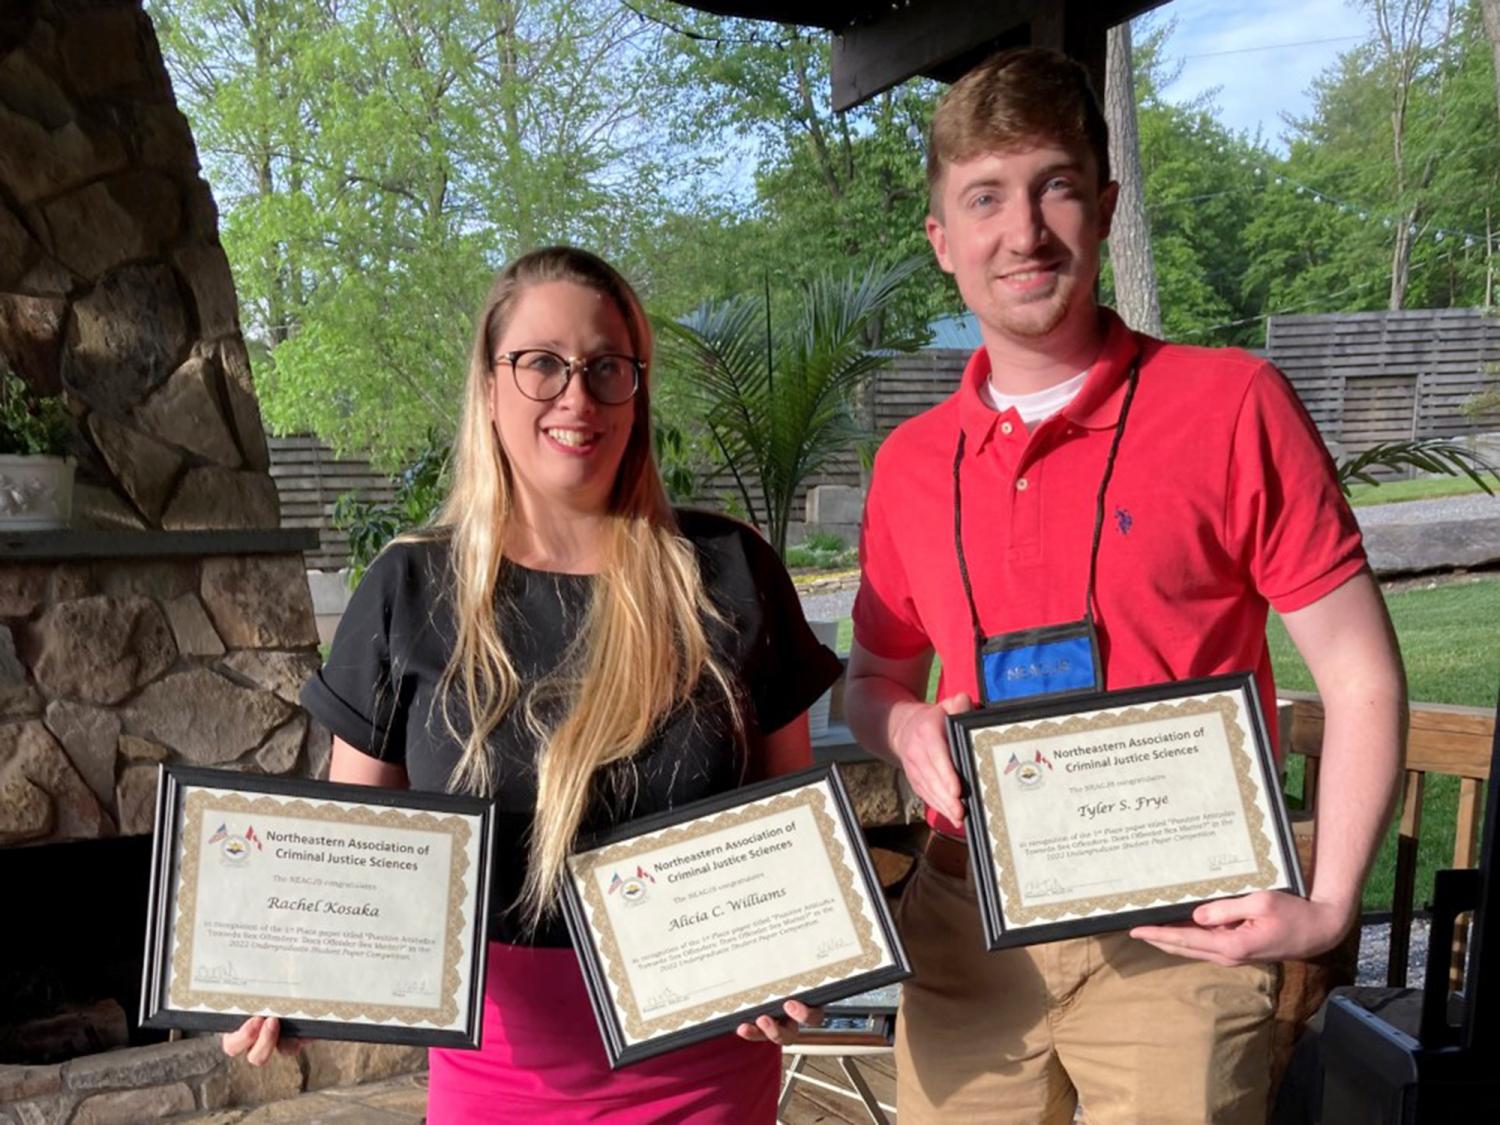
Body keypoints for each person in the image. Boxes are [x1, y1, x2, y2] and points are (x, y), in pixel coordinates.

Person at [844, 48, 1406, 1125]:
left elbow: (1362, 675)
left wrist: (1329, 904)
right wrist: (907, 724)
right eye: (985, 199)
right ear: (942, 241)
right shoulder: (908, 463)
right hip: (970, 931)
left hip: (1181, 930)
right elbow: (869, 678)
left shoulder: (1232, 403)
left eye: (1055, 187)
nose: (1024, 232)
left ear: (1102, 210)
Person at [222, 245, 842, 1122]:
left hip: (703, 1079)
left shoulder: (730, 572)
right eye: (541, 363)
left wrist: (807, 950)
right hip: (496, 1085)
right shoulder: (408, 589)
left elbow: (791, 829)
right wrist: (293, 971)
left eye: (605, 367)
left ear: (639, 387)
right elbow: (353, 858)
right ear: (487, 385)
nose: (577, 396)